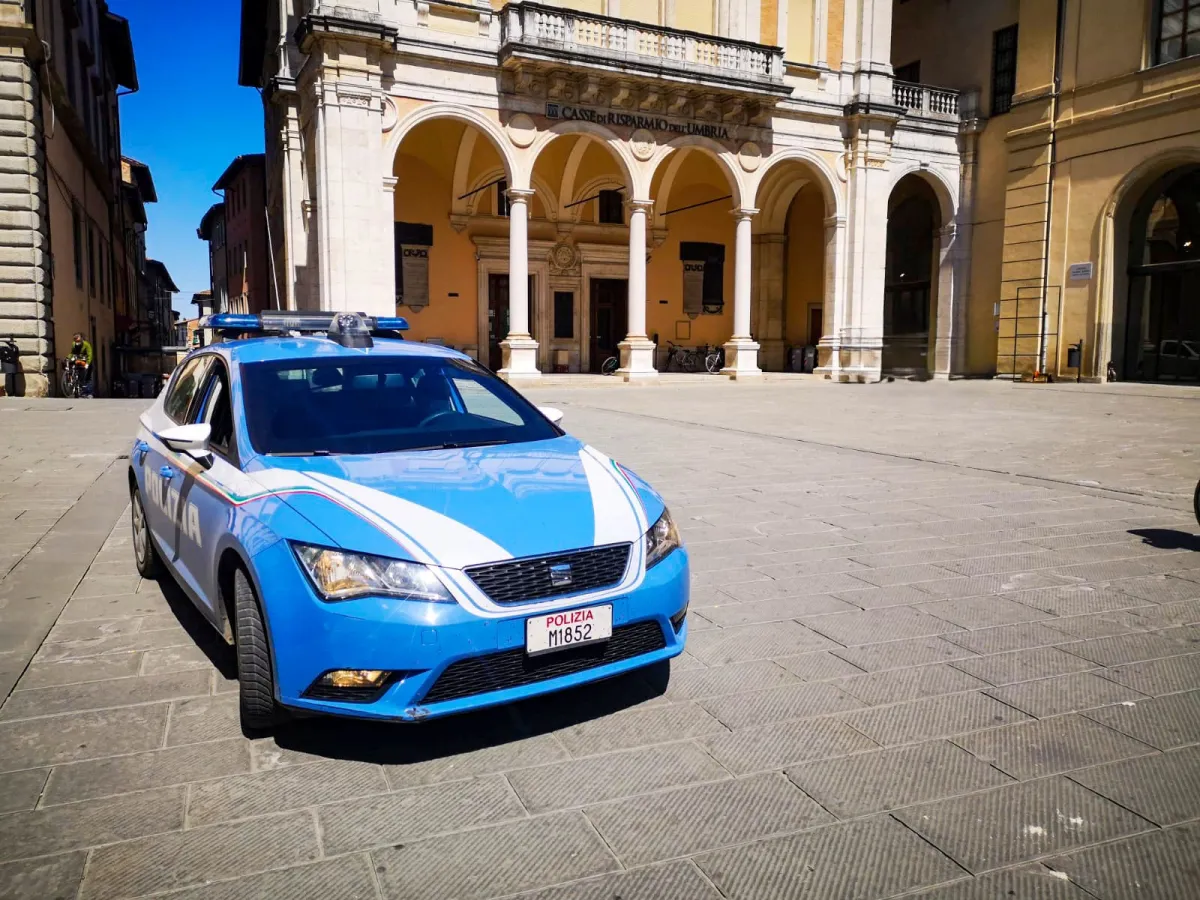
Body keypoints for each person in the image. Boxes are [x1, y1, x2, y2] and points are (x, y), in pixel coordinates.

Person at [69, 332, 93, 397]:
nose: (77, 342)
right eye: (75, 340)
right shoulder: (74, 344)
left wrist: (87, 364)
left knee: (87, 377)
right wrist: (69, 357)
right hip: (78, 361)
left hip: (85, 361)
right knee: (78, 374)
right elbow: (72, 353)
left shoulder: (86, 344)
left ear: (81, 339)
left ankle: (88, 392)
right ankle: (76, 387)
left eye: (78, 340)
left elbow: (89, 355)